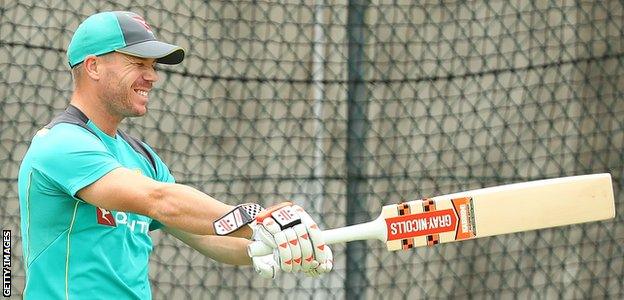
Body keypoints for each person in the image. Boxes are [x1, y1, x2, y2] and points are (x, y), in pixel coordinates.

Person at [17, 11, 333, 299]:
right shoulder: (60, 143)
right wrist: (259, 219)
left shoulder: (143, 159)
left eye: (152, 66)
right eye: (138, 63)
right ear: (93, 66)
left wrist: (270, 246)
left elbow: (207, 235)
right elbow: (161, 201)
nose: (152, 76)